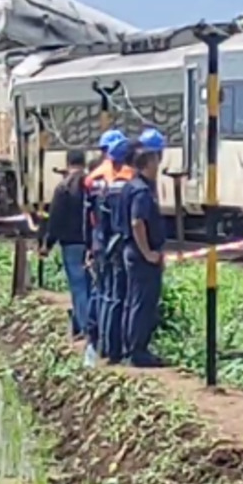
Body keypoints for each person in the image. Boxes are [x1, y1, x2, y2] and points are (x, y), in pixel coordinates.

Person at [121, 129, 168, 367]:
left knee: (135, 300)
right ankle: (138, 352)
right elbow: (137, 222)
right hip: (141, 255)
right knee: (143, 302)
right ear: (149, 161)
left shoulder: (133, 185)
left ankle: (133, 348)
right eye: (157, 158)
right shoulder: (140, 190)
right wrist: (148, 252)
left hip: (134, 253)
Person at [82, 128, 125, 366]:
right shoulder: (125, 177)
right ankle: (110, 346)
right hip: (114, 242)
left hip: (97, 242)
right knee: (113, 294)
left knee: (99, 291)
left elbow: (87, 216)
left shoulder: (92, 178)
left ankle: (94, 338)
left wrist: (88, 244)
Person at [40, 150, 91, 338]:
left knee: (78, 286)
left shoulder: (63, 187)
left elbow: (56, 219)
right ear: (84, 162)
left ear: (68, 163)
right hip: (91, 243)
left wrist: (48, 243)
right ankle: (88, 324)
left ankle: (86, 329)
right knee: (91, 285)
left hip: (71, 244)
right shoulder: (91, 184)